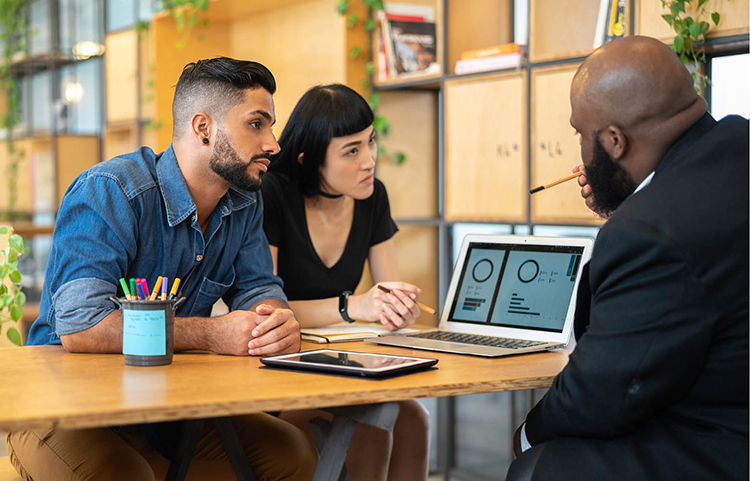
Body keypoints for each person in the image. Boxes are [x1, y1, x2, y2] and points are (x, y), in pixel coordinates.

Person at [7, 57, 317, 481]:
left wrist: (273, 321)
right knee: (127, 475)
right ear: (202, 127)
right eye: (257, 124)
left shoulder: (245, 201)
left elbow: (259, 287)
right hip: (60, 406)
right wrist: (212, 334)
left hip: (164, 403)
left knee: (292, 454)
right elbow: (81, 325)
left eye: (271, 126)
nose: (273, 143)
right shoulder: (111, 190)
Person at [507, 36, 748, 481]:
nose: (581, 149)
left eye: (581, 134)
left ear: (614, 141)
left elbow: (600, 393)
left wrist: (525, 435)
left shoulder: (647, 230)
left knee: (537, 467)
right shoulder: (736, 144)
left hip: (723, 442)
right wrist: (631, 204)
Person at [261, 84, 430, 481]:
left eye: (370, 142)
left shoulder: (373, 196)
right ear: (309, 159)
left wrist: (397, 308)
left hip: (346, 361)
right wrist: (352, 306)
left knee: (415, 420)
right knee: (374, 420)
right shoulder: (273, 195)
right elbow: (266, 312)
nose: (370, 160)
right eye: (351, 151)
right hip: (280, 364)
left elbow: (388, 290)